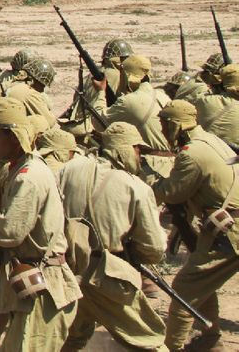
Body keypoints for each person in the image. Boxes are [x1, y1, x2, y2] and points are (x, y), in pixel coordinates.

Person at [0, 98, 80, 352]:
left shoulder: (28, 178)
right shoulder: (13, 171)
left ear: (12, 136)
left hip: (44, 291)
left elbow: (10, 232)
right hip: (27, 287)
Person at [57, 122, 168, 352]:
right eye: (138, 150)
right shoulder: (135, 187)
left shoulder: (68, 169)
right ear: (125, 149)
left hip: (66, 272)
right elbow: (154, 248)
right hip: (107, 277)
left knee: (70, 339)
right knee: (148, 340)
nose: (139, 157)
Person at [151, 100, 239, 352]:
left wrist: (144, 186)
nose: (163, 130)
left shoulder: (191, 154)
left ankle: (172, 347)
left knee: (185, 290)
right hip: (227, 226)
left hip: (229, 233)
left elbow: (172, 192)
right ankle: (210, 341)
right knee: (202, 283)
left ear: (176, 125)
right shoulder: (211, 140)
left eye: (164, 125)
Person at [104, 55, 174, 177]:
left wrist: (99, 91)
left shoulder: (128, 101)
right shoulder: (162, 96)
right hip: (172, 162)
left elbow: (98, 121)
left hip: (151, 166)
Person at [7, 59, 58, 128]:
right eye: (42, 85)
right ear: (32, 80)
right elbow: (49, 121)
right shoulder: (29, 93)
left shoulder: (8, 83)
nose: (42, 89)